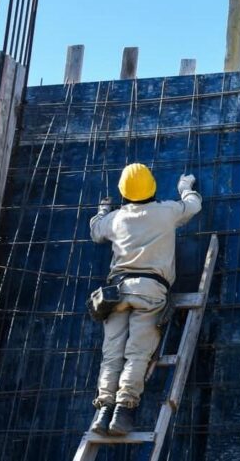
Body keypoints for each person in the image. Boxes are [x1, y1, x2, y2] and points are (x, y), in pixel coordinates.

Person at [88, 163, 202, 436]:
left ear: (123, 191)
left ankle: (103, 410)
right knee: (138, 353)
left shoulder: (116, 218)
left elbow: (95, 231)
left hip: (115, 293)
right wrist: (186, 189)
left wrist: (103, 209)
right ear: (151, 187)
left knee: (111, 354)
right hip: (150, 291)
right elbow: (193, 206)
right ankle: (123, 410)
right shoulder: (165, 212)